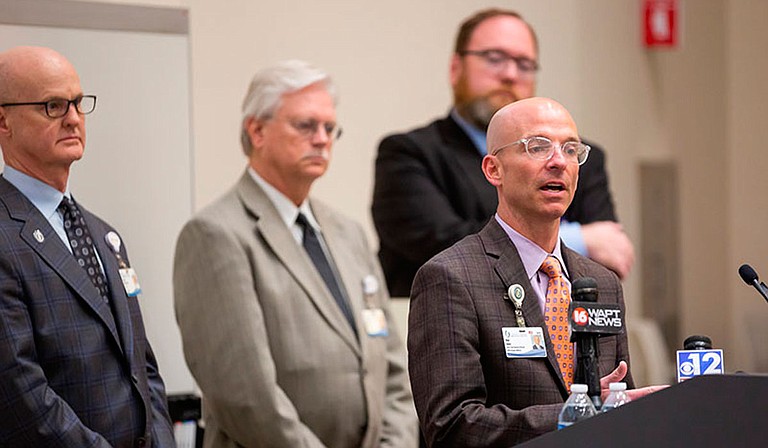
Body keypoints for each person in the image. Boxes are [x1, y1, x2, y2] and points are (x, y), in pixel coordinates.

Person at [173, 60, 418, 448]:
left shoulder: (349, 233)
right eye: (305, 126)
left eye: (329, 128)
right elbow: (246, 399)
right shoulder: (216, 234)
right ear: (257, 130)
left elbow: (391, 371)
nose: (322, 139)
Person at [407, 97, 663, 447]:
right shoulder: (450, 278)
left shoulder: (600, 283)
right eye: (537, 147)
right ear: (493, 169)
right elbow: (452, 425)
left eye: (571, 150)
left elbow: (617, 407)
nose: (558, 162)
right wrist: (576, 413)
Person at [372, 8, 634, 297]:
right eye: (494, 58)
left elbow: (608, 258)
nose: (510, 74)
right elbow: (441, 247)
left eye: (524, 64)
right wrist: (580, 239)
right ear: (455, 68)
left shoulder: (580, 156)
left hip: (564, 327)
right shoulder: (409, 154)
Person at [0, 46, 175, 447]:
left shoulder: (104, 235)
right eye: (53, 106)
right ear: (3, 120)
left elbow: (143, 367)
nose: (74, 119)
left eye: (78, 104)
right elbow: (19, 392)